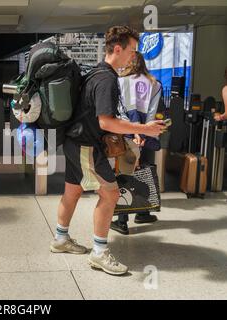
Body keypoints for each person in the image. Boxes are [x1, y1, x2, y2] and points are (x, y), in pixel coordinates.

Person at [49, 26, 166, 276]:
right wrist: (144, 128)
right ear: (117, 49)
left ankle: (60, 239)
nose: (133, 57)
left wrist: (131, 130)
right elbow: (105, 122)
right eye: (132, 51)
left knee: (72, 190)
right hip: (86, 146)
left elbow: (105, 118)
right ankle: (99, 253)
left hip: (76, 141)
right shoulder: (107, 79)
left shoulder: (96, 73)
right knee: (111, 194)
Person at [110, 51, 163, 235]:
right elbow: (153, 113)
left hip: (128, 135)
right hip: (148, 135)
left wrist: (133, 132)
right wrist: (144, 132)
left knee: (126, 173)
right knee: (145, 171)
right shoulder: (155, 83)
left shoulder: (120, 82)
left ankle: (122, 221)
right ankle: (143, 211)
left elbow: (120, 110)